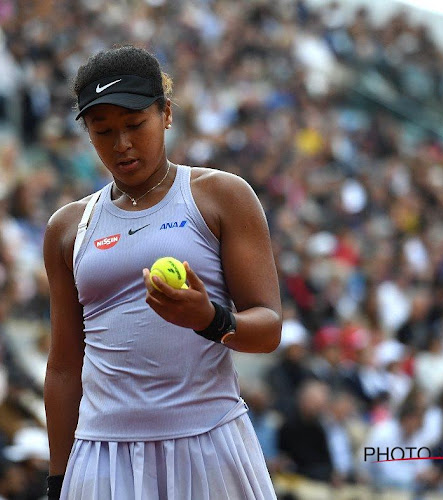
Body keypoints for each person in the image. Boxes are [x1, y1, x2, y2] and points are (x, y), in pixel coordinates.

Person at [44, 46, 281, 500]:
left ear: (167, 114)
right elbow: (63, 367)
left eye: (135, 125)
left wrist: (209, 319)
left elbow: (268, 329)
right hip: (101, 456)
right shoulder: (67, 227)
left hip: (208, 443)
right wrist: (58, 482)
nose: (122, 144)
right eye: (103, 130)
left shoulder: (220, 196)